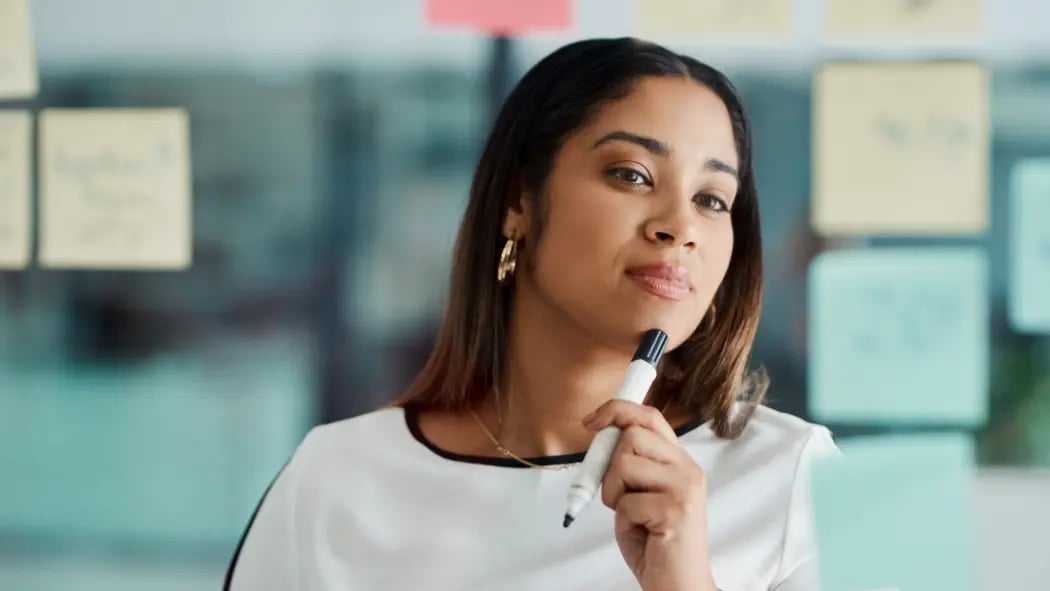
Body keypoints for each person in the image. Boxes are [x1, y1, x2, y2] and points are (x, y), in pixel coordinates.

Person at [224, 37, 839, 591]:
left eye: (711, 199)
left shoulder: (791, 482)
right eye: (631, 175)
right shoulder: (335, 479)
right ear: (519, 201)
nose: (679, 227)